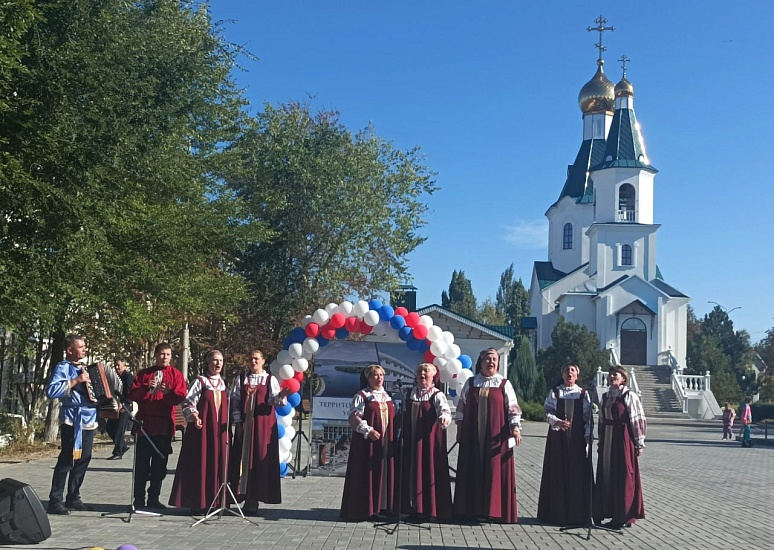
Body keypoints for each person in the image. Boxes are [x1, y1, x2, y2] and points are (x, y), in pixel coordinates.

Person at [453, 348, 521, 524]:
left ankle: (493, 510)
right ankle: (470, 509)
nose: (491, 362)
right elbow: (461, 408)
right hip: (472, 436)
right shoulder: (471, 383)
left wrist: (515, 428)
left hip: (496, 436)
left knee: (494, 469)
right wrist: (460, 430)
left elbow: (512, 407)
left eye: (495, 360)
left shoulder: (503, 384)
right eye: (488, 359)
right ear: (481, 362)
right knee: (471, 468)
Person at [228, 349, 290, 513]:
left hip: (262, 426)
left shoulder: (270, 379)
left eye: (256, 359)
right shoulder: (241, 379)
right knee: (242, 459)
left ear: (263, 361)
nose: (253, 361)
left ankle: (255, 497)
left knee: (259, 459)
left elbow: (274, 400)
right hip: (245, 426)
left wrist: (282, 395)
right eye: (250, 358)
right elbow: (235, 401)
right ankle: (242, 495)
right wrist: (238, 421)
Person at [169, 350, 230, 514]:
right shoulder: (200, 382)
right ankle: (198, 501)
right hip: (202, 431)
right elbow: (188, 403)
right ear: (208, 362)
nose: (218, 364)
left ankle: (216, 501)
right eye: (214, 360)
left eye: (220, 361)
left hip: (219, 432)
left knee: (218, 463)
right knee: (201, 463)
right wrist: (195, 416)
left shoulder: (223, 384)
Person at [128, 342, 186, 510]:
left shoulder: (175, 375)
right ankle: (138, 498)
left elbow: (181, 396)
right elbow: (133, 394)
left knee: (159, 464)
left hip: (163, 425)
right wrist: (147, 387)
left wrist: (168, 393)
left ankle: (154, 497)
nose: (165, 357)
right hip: (145, 425)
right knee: (141, 464)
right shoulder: (145, 374)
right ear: (156, 355)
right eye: (162, 354)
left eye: (168, 354)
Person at [45, 334, 98, 515]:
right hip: (72, 419)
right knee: (68, 459)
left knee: (84, 459)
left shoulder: (86, 368)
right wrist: (75, 381)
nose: (84, 349)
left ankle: (73, 497)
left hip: (89, 419)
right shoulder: (63, 367)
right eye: (81, 347)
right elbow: (51, 391)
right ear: (70, 350)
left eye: (84, 346)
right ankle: (55, 500)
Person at [537, 362, 593, 526]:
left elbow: (587, 418)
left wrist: (587, 437)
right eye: (566, 370)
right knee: (557, 472)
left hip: (576, 441)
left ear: (577, 375)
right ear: (562, 375)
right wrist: (558, 422)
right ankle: (555, 513)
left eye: (573, 370)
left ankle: (578, 514)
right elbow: (547, 412)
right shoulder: (555, 392)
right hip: (557, 439)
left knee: (577, 474)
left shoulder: (583, 394)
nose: (570, 372)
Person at [340, 364, 397, 521]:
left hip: (387, 441)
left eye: (381, 375)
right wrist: (368, 430)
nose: (379, 378)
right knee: (369, 472)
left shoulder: (388, 396)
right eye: (375, 375)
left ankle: (385, 506)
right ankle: (368, 508)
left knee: (385, 471)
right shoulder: (362, 396)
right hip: (369, 442)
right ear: (368, 378)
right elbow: (354, 417)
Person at [593, 365, 646, 529]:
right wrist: (601, 440)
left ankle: (623, 515)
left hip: (623, 439)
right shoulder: (606, 396)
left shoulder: (629, 396)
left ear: (623, 378)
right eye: (610, 374)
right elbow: (601, 420)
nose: (611, 377)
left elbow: (638, 419)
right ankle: (604, 511)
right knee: (606, 473)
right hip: (608, 439)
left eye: (615, 374)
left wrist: (639, 442)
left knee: (622, 475)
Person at [399, 362, 452, 521]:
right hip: (410, 440)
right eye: (420, 371)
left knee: (429, 470)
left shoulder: (437, 394)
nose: (422, 374)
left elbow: (444, 410)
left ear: (433, 376)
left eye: (426, 371)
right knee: (410, 470)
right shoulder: (409, 393)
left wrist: (444, 418)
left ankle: (429, 509)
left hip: (428, 443)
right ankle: (411, 507)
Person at [106, 359, 134, 460]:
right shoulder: (116, 377)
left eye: (119, 365)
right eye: (116, 365)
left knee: (119, 430)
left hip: (124, 408)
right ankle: (123, 446)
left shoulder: (128, 377)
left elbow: (130, 394)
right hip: (115, 406)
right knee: (109, 427)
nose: (117, 367)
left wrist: (124, 404)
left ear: (124, 366)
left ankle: (118, 453)